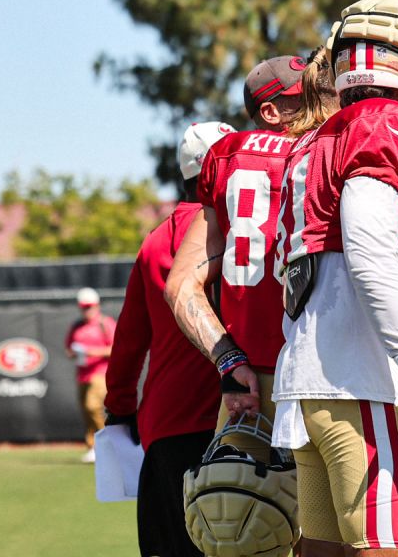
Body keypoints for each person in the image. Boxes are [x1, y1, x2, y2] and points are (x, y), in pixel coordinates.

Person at [272, 0, 398, 557]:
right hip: (363, 379)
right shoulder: (386, 120)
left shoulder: (314, 135)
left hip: (310, 377)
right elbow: (370, 255)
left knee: (323, 547)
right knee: (390, 544)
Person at [166, 54, 312, 461]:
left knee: (244, 517)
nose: (322, 104)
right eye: (307, 96)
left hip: (249, 385)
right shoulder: (326, 150)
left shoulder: (227, 156)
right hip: (322, 378)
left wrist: (228, 361)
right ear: (269, 110)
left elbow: (180, 285)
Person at [104, 121, 232, 557]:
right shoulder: (248, 225)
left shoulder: (154, 240)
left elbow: (129, 342)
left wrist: (119, 408)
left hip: (167, 424)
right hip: (240, 416)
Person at [65, 287, 117, 463]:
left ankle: (107, 444)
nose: (87, 310)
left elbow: (115, 348)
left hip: (100, 373)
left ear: (97, 306)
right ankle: (93, 447)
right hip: (82, 374)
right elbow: (68, 348)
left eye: (90, 306)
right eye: (84, 307)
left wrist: (91, 352)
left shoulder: (105, 324)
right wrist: (75, 353)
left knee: (92, 405)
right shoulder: (77, 326)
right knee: (86, 411)